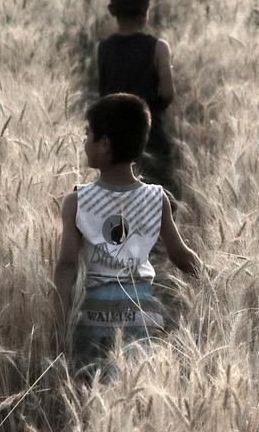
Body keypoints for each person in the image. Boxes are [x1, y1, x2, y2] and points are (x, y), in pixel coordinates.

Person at [52, 94, 202, 379]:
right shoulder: (156, 199)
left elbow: (67, 265)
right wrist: (209, 281)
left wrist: (60, 321)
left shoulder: (78, 201)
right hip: (140, 316)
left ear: (104, 143)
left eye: (88, 135)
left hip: (93, 318)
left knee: (91, 392)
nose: (84, 143)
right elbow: (180, 254)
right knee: (134, 389)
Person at [97, 0, 180, 195]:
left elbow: (103, 93)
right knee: (161, 192)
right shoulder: (159, 48)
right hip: (150, 133)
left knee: (118, 196)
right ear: (146, 10)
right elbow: (168, 92)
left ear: (111, 10)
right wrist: (156, 107)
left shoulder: (104, 48)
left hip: (115, 135)